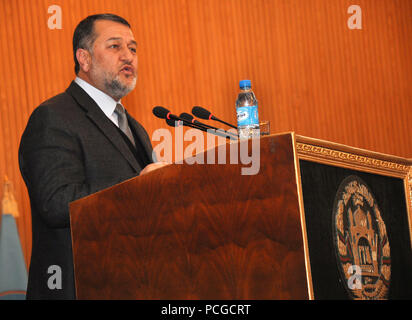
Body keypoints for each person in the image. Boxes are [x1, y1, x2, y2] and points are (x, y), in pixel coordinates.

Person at [18, 13, 165, 299]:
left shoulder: (135, 127)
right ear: (84, 59)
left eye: (133, 48)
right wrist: (139, 185)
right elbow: (57, 203)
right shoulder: (54, 116)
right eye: (114, 46)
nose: (129, 56)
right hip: (77, 288)